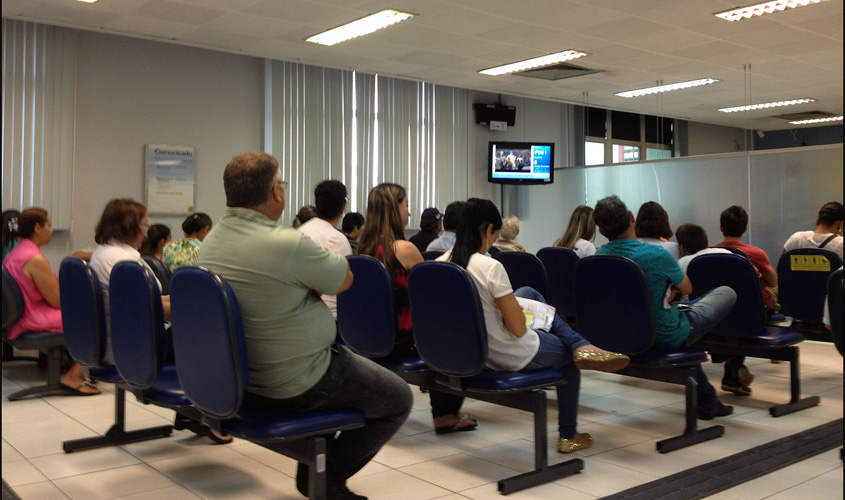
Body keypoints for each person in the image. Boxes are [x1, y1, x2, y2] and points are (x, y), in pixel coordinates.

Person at [197, 152, 412, 500]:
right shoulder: (287, 243)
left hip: (244, 377)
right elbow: (344, 278)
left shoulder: (211, 243)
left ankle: (320, 477)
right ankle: (326, 481)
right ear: (276, 192)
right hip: (303, 378)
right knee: (399, 399)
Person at [438, 198, 630, 453]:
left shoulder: (440, 264)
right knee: (570, 356)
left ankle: (580, 343)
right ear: (487, 230)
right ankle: (568, 435)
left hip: (471, 352)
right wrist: (514, 315)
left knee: (529, 292)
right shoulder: (490, 266)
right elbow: (518, 330)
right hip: (506, 353)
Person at [89, 199, 229, 444]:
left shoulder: (104, 253)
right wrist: (193, 307)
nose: (146, 230)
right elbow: (151, 309)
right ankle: (213, 417)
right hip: (135, 349)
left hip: (123, 340)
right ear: (128, 226)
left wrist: (180, 300)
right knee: (213, 338)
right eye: (143, 224)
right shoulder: (125, 262)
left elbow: (149, 301)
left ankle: (190, 416)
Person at [593, 195, 738, 420]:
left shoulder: (598, 257)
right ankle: (719, 380)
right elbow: (687, 286)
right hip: (663, 334)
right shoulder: (656, 255)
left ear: (601, 232)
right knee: (725, 293)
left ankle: (708, 400)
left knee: (681, 310)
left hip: (620, 335)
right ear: (631, 218)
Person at [356, 183, 476, 434]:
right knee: (455, 331)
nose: (409, 213)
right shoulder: (405, 249)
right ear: (393, 209)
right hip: (403, 339)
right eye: (406, 205)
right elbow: (431, 296)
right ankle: (446, 414)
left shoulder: (361, 250)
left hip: (370, 338)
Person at [3, 208, 100, 395]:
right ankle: (74, 374)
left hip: (20, 317)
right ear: (37, 228)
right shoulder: (34, 259)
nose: (51, 230)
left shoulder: (17, 251)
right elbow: (57, 302)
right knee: (93, 319)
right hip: (32, 318)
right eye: (49, 225)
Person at [299, 180, 353, 319]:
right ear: (343, 207)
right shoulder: (336, 239)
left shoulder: (300, 231)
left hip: (300, 311)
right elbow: (346, 286)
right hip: (330, 316)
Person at [139, 223, 173, 295]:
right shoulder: (165, 263)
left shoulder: (140, 257)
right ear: (162, 242)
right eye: (170, 239)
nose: (171, 242)